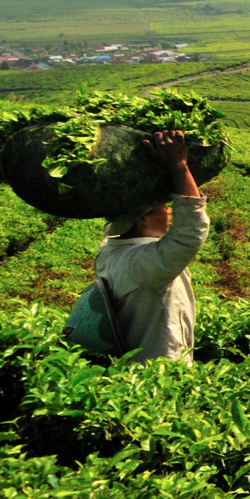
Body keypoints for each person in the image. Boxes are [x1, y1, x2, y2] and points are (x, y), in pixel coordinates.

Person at [94, 129, 210, 364]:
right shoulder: (141, 264)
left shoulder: (110, 251)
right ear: (142, 219)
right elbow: (189, 233)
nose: (168, 210)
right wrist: (179, 166)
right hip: (158, 372)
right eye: (161, 206)